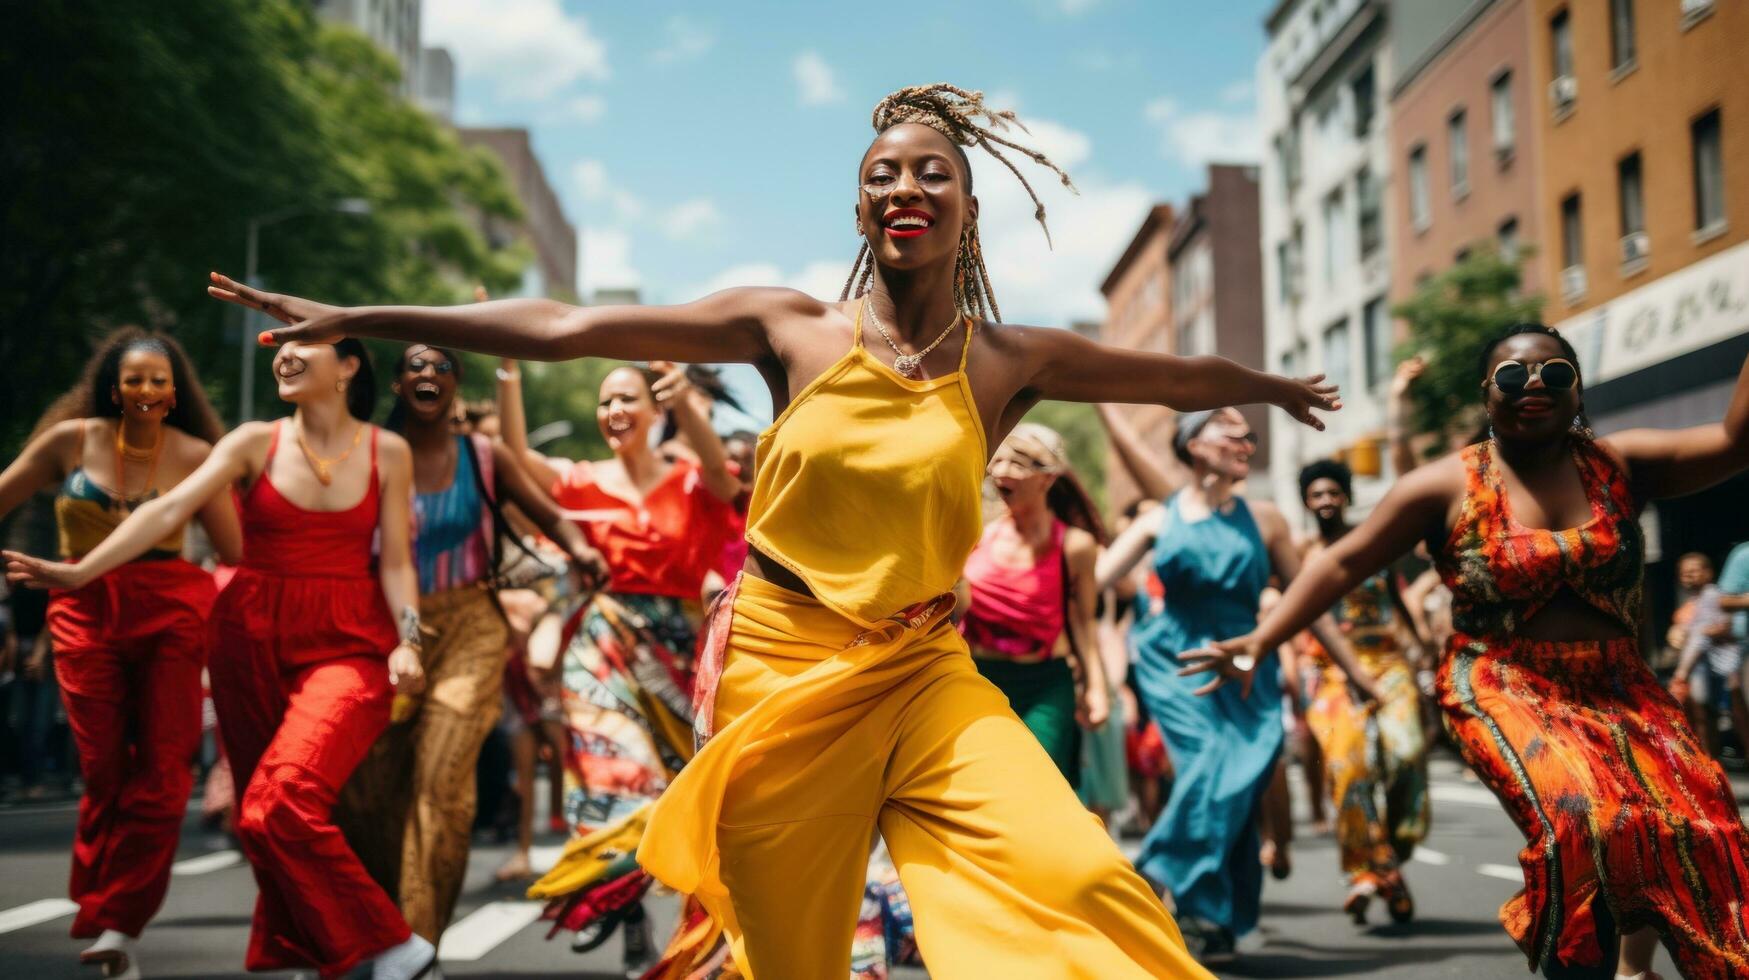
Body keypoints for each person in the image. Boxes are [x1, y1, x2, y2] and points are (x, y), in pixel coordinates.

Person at [204, 83, 1338, 979]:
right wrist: (360, 314)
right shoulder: (789, 327)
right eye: (881, 174)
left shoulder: (1007, 360)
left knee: (1080, 872)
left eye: (931, 172)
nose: (906, 187)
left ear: (966, 207)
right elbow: (565, 321)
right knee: (791, 957)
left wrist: (1270, 384)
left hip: (925, 672)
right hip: (783, 672)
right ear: (859, 208)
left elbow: (1173, 372)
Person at [1187, 323, 1749, 979]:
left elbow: (1735, 440)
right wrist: (1261, 638)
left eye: (1554, 375)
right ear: (1487, 394)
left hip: (1622, 687)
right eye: (1512, 376)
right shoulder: (1442, 486)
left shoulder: (1619, 465)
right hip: (1503, 683)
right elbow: (1340, 565)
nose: (1533, 386)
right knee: (1581, 821)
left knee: (1708, 829)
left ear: (1576, 390)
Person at [8, 338, 437, 980]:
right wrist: (81, 573)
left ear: (349, 365)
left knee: (280, 802)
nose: (286, 357)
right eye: (280, 350)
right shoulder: (250, 443)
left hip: (349, 640)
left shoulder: (389, 451)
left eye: (305, 345)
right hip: (249, 640)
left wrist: (409, 639)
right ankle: (315, 951)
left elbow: (398, 560)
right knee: (258, 817)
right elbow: (170, 509)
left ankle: (394, 946)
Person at [335, 343, 606, 944]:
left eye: (441, 366)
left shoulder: (484, 457)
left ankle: (417, 940)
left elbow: (552, 514)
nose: (428, 374)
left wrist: (581, 550)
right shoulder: (365, 454)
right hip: (381, 631)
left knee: (442, 779)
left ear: (456, 383)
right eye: (415, 366)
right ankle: (375, 928)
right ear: (398, 384)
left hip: (469, 626)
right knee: (369, 790)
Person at [1095, 406, 1377, 962]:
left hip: (1249, 662)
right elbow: (1095, 580)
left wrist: (1354, 670)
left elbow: (1311, 605)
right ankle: (1166, 885)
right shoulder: (1159, 519)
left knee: (1242, 785)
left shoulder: (1267, 518)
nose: (1247, 440)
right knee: (1208, 766)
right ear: (1193, 444)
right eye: (1231, 431)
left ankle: (1226, 913)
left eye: (1250, 435)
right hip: (1176, 663)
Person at [0, 328, 241, 979]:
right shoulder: (68, 442)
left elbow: (236, 551)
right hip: (82, 613)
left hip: (170, 611)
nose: (145, 389)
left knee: (164, 768)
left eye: (158, 379)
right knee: (104, 769)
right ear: (113, 385)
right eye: (133, 378)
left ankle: (118, 921)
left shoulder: (198, 453)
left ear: (174, 391)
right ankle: (101, 899)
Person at [507, 360, 736, 974]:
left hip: (676, 647)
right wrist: (508, 375)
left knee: (674, 793)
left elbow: (721, 475)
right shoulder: (579, 479)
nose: (614, 411)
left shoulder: (689, 481)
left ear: (655, 411)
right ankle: (619, 899)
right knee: (609, 772)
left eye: (628, 398)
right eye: (605, 401)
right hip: (602, 638)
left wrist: (683, 395)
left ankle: (640, 908)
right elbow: (513, 459)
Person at [1296, 458, 1430, 923]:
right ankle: (1370, 871)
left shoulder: (1373, 542)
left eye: (1333, 492)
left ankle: (1391, 852)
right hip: (1328, 669)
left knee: (1407, 755)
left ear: (1347, 496)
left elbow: (1396, 599)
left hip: (1388, 662)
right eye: (1316, 495)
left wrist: (1425, 645)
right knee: (1348, 765)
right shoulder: (1301, 554)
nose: (1326, 501)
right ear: (1306, 503)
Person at [959, 422, 1109, 785]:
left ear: (1048, 478)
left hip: (1045, 684)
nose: (1001, 471)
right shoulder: (975, 534)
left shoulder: (1075, 546)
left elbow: (1085, 623)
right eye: (999, 461)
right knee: (984, 785)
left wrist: (1096, 688)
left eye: (1019, 462)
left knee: (1042, 785)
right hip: (978, 677)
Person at [1669, 552, 1748, 763]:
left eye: (1694, 571)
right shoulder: (1691, 604)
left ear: (1708, 573)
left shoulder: (1714, 595)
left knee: (1733, 711)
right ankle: (1710, 760)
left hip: (1723, 662)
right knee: (1704, 713)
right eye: (1684, 573)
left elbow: (1725, 626)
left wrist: (1710, 632)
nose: (1689, 576)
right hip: (1705, 665)